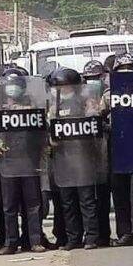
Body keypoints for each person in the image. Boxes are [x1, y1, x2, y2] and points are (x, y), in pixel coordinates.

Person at [47, 67, 102, 250]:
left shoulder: (86, 101)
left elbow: (95, 125)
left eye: (66, 86)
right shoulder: (55, 104)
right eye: (59, 87)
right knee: (67, 202)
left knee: (87, 201)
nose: (62, 90)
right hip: (64, 160)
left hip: (83, 159)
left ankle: (92, 237)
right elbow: (50, 129)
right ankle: (73, 238)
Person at [0, 71, 47, 255]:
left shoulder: (33, 104)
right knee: (9, 206)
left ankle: (34, 241)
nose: (13, 88)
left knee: (33, 205)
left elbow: (42, 131)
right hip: (8, 162)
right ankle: (10, 243)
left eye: (16, 84)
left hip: (29, 160)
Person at [104, 53, 133, 247]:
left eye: (130, 70)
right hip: (117, 146)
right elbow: (97, 115)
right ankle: (124, 233)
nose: (126, 75)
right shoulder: (108, 95)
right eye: (122, 72)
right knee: (120, 191)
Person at [82, 59, 113, 247]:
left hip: (108, 150)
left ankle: (104, 235)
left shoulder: (110, 95)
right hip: (87, 154)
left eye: (96, 77)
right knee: (89, 198)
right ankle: (92, 235)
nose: (93, 81)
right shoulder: (82, 98)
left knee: (103, 197)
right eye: (89, 78)